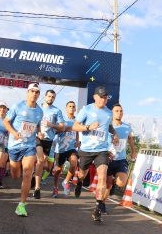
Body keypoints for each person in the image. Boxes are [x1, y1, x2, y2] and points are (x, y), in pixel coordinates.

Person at [72, 86, 119, 222]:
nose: (103, 100)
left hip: (102, 150)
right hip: (86, 149)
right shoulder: (86, 110)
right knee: (82, 174)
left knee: (103, 176)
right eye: (101, 97)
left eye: (105, 97)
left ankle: (98, 206)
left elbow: (109, 126)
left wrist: (114, 134)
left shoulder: (109, 113)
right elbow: (75, 126)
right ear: (95, 97)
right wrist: (88, 127)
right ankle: (80, 182)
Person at [3, 83, 43, 216]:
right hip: (14, 146)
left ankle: (21, 205)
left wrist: (40, 132)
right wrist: (14, 133)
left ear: (38, 94)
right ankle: (15, 171)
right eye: (32, 91)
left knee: (27, 172)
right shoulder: (17, 106)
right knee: (16, 175)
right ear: (28, 92)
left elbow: (36, 127)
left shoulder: (40, 111)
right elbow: (6, 122)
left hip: (29, 146)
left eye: (37, 92)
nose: (34, 94)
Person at [34, 90, 64, 199]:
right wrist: (37, 132)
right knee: (40, 160)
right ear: (45, 96)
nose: (50, 98)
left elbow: (62, 127)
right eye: (49, 96)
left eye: (53, 97)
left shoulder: (57, 111)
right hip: (37, 138)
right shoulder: (37, 108)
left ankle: (35, 176)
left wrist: (52, 125)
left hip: (48, 140)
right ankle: (37, 187)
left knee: (45, 165)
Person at [104, 104, 136, 202]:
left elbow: (130, 138)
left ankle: (114, 182)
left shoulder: (127, 127)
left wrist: (134, 151)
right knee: (107, 185)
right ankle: (101, 204)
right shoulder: (107, 126)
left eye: (121, 111)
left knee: (121, 183)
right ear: (112, 113)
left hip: (121, 159)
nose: (119, 113)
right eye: (116, 111)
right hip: (108, 159)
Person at [52, 101, 79, 197]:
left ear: (75, 109)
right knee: (58, 170)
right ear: (66, 108)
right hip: (60, 149)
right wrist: (64, 129)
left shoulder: (77, 120)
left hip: (71, 147)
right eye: (69, 106)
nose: (71, 108)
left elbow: (78, 131)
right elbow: (54, 131)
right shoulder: (61, 119)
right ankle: (55, 188)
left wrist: (77, 141)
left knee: (74, 162)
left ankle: (66, 181)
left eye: (73, 106)